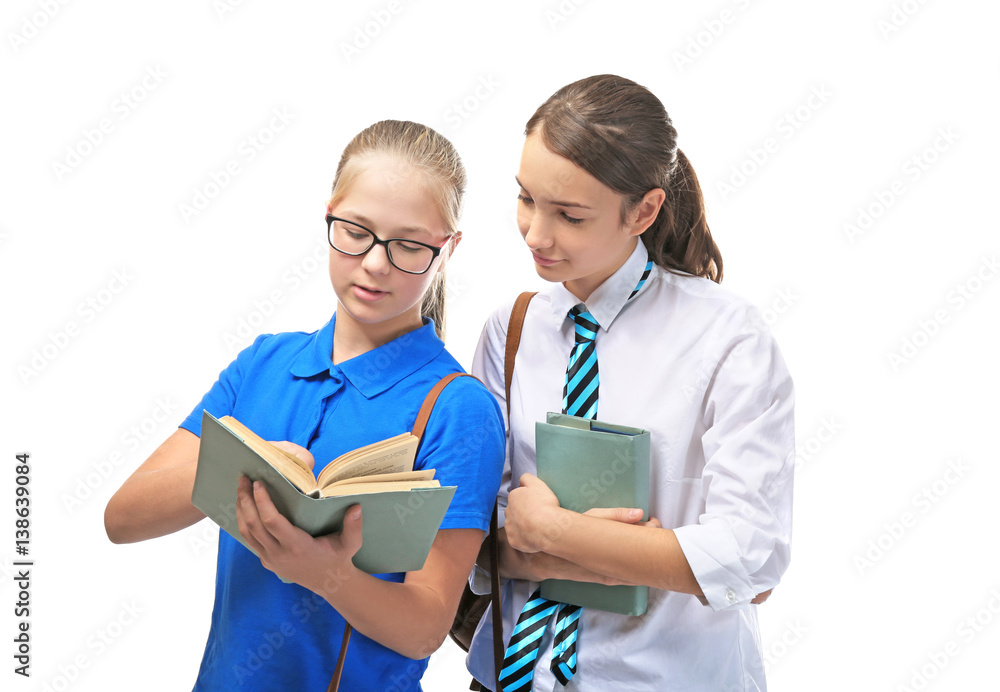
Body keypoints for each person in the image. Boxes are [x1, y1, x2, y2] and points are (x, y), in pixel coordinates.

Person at [104, 120, 506, 691]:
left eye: (409, 245)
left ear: (449, 249)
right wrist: (247, 466)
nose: (376, 263)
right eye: (356, 232)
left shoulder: (459, 409)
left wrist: (325, 575)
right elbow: (122, 519)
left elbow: (425, 628)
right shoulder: (263, 363)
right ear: (329, 216)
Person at [465, 75, 795, 691]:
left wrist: (557, 532)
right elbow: (473, 539)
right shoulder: (510, 330)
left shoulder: (728, 338)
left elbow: (750, 558)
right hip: (509, 677)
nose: (535, 234)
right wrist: (626, 555)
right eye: (526, 198)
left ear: (643, 211)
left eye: (570, 215)